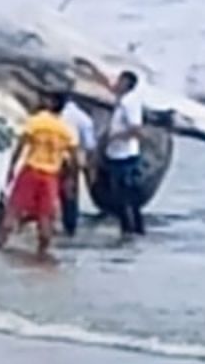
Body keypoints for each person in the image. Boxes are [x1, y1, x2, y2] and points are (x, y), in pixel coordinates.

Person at [0, 95, 78, 257]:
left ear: (51, 103)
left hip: (31, 170)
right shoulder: (66, 129)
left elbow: (20, 146)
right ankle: (42, 253)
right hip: (51, 176)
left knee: (14, 209)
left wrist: (11, 168)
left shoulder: (36, 121)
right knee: (45, 216)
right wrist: (71, 180)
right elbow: (74, 158)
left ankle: (0, 246)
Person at [102, 70, 147, 237]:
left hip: (125, 156)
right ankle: (130, 230)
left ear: (127, 83)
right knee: (122, 196)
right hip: (116, 155)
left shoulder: (129, 102)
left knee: (126, 197)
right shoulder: (122, 100)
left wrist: (114, 137)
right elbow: (109, 86)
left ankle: (131, 231)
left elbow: (136, 130)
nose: (117, 83)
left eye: (120, 80)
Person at [56, 92, 98, 238]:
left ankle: (62, 224)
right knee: (70, 194)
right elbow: (90, 144)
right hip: (73, 160)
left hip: (59, 158)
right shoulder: (82, 117)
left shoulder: (58, 116)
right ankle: (70, 226)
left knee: (60, 192)